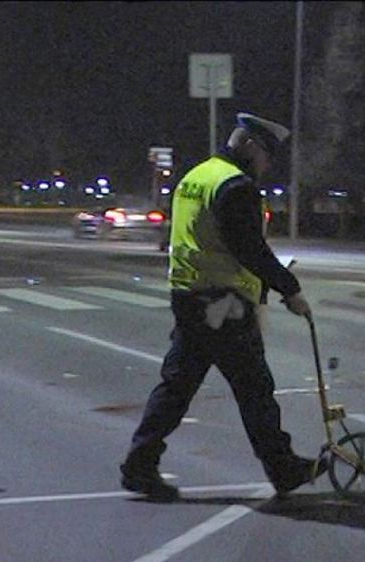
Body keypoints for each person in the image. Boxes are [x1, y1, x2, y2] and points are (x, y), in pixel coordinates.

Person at [119, 112, 324, 501]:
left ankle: (139, 465)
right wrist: (290, 289)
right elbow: (250, 250)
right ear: (248, 145)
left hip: (188, 296)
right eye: (265, 155)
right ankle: (282, 468)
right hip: (223, 303)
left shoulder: (196, 177)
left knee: (177, 386)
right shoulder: (235, 187)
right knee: (254, 389)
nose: (266, 165)